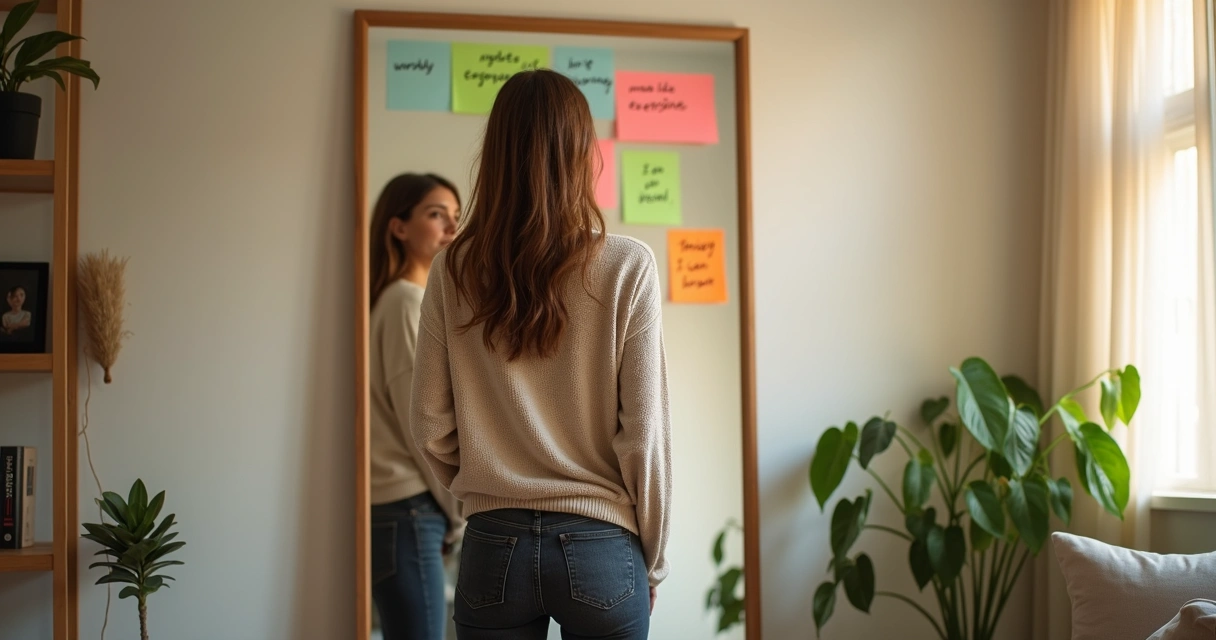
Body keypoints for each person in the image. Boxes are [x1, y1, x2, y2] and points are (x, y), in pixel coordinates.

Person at [410, 69, 672, 640]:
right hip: (603, 544)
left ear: (497, 155)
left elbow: (429, 424)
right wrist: (652, 556)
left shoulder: (452, 271)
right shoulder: (629, 267)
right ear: (583, 154)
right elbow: (644, 434)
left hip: (491, 545)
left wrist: (483, 495)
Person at [368, 172, 466, 640]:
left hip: (406, 511)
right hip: (410, 510)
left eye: (455, 215)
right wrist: (458, 512)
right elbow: (421, 425)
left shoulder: (408, 301)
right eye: (435, 214)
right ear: (398, 227)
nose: (451, 226)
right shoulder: (406, 302)